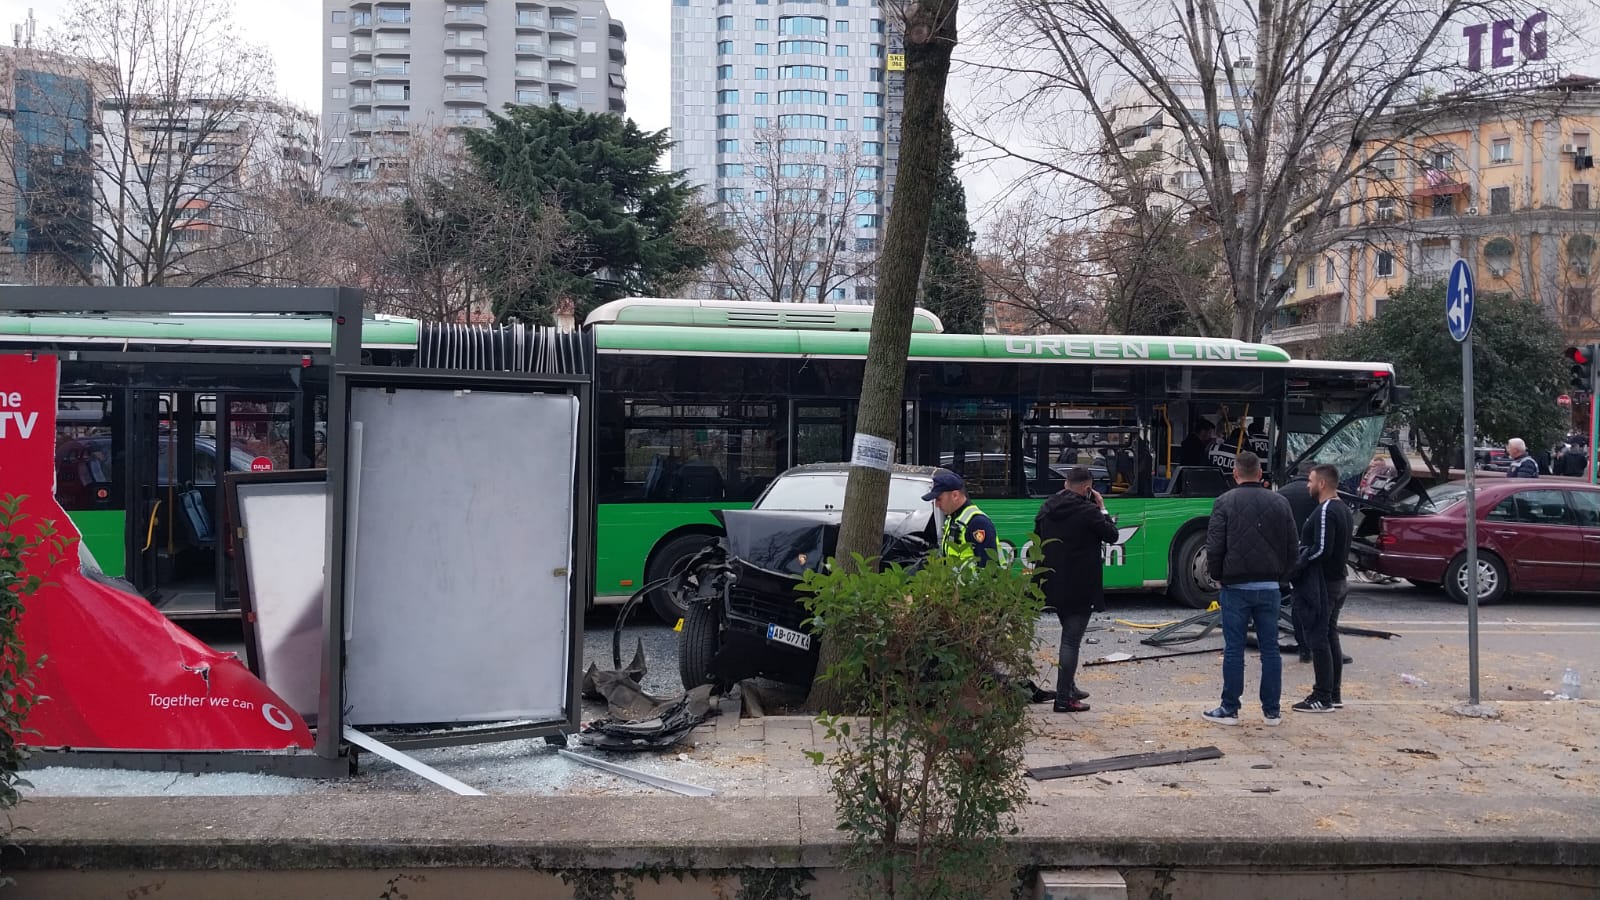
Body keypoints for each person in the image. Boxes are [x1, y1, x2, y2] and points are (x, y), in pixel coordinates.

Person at [1202, 451, 1298, 727]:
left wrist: (1218, 576)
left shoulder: (1224, 502)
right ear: (1260, 474)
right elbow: (1293, 545)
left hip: (1235, 586)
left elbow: (1215, 545)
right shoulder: (1280, 502)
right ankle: (1272, 711)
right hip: (1270, 586)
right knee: (1271, 649)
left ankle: (1229, 708)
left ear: (1235, 473)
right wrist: (1283, 577)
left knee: (1234, 648)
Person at [1034, 466, 1120, 714]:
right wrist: (1102, 506)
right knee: (1071, 640)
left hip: (1053, 583)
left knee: (1068, 635)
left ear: (1065, 484)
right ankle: (1064, 699)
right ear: (1087, 489)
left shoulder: (1047, 508)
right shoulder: (1088, 511)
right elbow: (1112, 535)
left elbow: (1039, 538)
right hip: (1081, 585)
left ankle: (1069, 687)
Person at [1289, 464, 1353, 713]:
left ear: (1322, 484)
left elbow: (1321, 548)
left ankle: (1322, 695)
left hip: (1324, 584)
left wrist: (1298, 564)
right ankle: (1333, 693)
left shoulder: (1327, 509)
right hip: (1337, 581)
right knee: (1329, 636)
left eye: (1311, 480)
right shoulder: (1343, 509)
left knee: (1318, 639)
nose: (1307, 484)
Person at [923, 470, 999, 569]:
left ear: (955, 495)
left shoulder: (977, 523)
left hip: (971, 584)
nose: (936, 505)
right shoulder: (955, 518)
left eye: (939, 499)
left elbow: (988, 570)